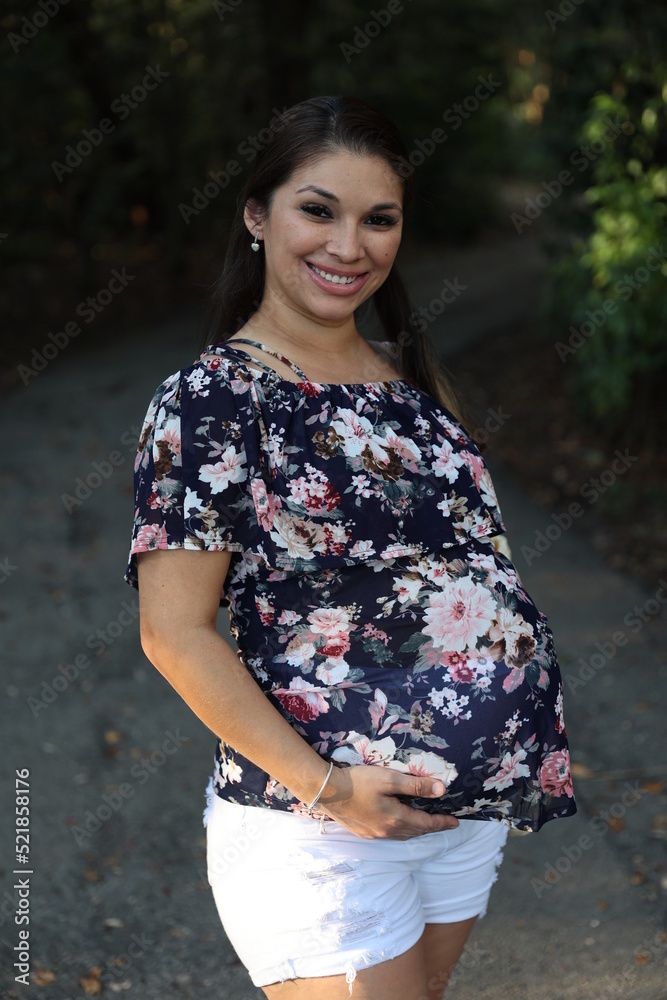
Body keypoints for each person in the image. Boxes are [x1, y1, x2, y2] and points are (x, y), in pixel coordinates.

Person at [125, 95, 576, 999]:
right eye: (317, 210)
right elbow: (174, 633)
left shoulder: (406, 377)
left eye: (378, 219)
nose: (348, 245)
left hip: (460, 815)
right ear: (256, 215)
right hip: (319, 825)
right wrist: (328, 789)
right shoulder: (211, 400)